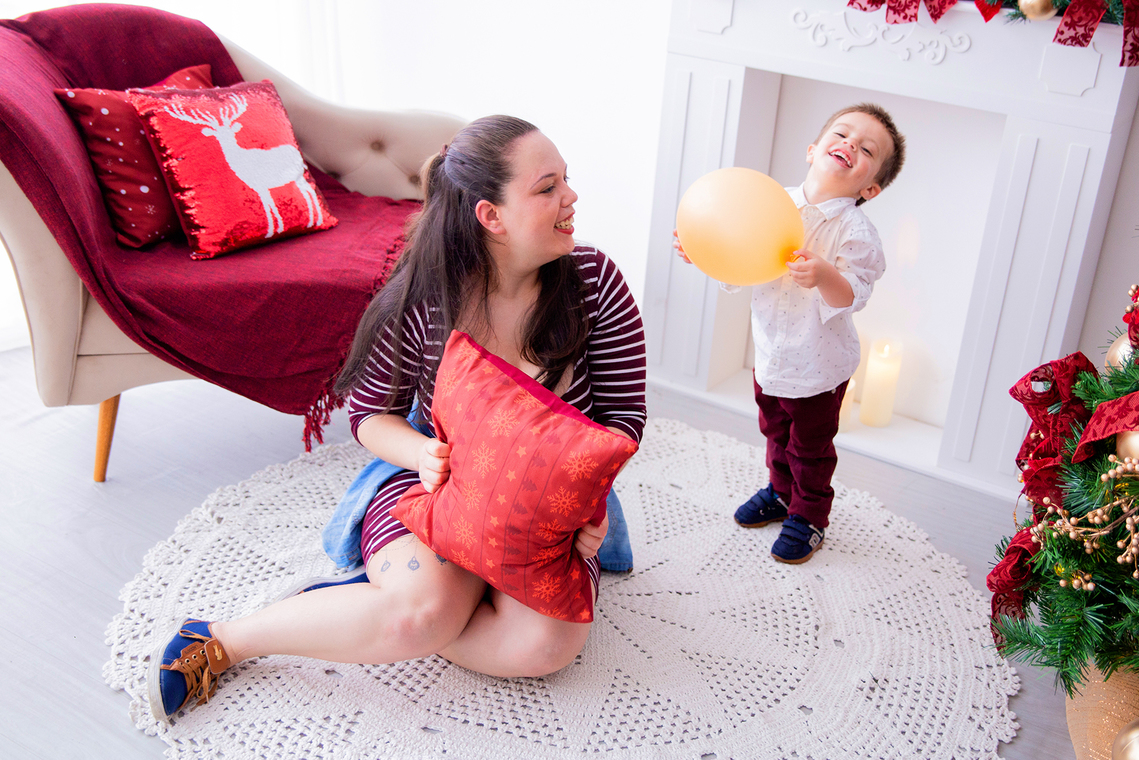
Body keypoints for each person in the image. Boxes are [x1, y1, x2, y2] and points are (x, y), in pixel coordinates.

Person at [148, 115, 647, 721]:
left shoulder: (595, 284)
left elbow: (624, 418)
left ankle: (375, 612)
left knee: (542, 648)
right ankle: (223, 638)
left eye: (566, 181)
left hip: (550, 507)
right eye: (547, 188)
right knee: (420, 618)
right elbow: (368, 415)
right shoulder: (426, 299)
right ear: (490, 216)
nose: (570, 199)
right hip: (435, 485)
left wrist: (585, 510)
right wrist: (422, 455)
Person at [674, 103, 905, 565]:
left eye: (865, 149)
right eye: (841, 135)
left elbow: (853, 295)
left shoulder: (854, 229)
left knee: (810, 447)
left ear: (871, 186)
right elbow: (741, 261)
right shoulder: (771, 202)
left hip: (819, 366)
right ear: (812, 149)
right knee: (774, 430)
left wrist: (824, 275)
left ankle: (811, 514)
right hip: (773, 355)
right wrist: (706, 252)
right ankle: (780, 493)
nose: (849, 146)